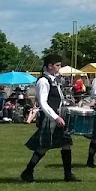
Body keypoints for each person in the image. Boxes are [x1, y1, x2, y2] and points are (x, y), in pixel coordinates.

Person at [20, 54, 80, 183]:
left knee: (66, 144)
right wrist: (55, 117)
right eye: (57, 65)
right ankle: (28, 171)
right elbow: (43, 102)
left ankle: (68, 174)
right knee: (43, 146)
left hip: (59, 115)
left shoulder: (54, 79)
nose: (59, 68)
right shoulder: (43, 81)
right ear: (50, 66)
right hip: (50, 117)